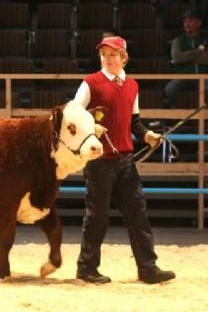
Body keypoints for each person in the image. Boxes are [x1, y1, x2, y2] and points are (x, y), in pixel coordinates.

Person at [72, 36, 176, 284]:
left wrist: (147, 135)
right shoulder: (90, 84)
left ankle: (148, 268)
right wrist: (89, 127)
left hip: (125, 159)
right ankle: (86, 268)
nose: (107, 59)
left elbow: (134, 122)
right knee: (97, 216)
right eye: (104, 55)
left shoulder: (132, 86)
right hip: (98, 161)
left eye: (113, 55)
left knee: (137, 213)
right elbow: (73, 115)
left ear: (123, 57)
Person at [163, 9, 208, 109]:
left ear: (199, 23)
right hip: (184, 76)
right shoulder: (177, 40)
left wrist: (187, 57)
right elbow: (177, 58)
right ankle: (175, 120)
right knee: (170, 88)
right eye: (185, 21)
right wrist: (199, 52)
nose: (187, 24)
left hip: (206, 76)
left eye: (190, 21)